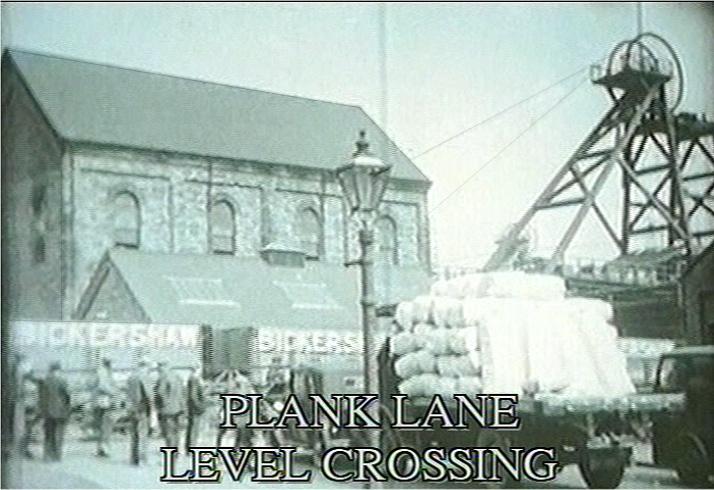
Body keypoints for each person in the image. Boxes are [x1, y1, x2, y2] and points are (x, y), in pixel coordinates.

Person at [40, 362, 71, 462]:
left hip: (47, 411)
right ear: (58, 370)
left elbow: (41, 397)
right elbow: (67, 396)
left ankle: (47, 455)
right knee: (59, 433)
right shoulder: (62, 381)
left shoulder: (45, 381)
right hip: (60, 411)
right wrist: (68, 409)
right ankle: (56, 456)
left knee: (48, 434)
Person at [126, 358, 153, 465]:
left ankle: (134, 458)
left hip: (132, 408)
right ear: (145, 366)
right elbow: (149, 395)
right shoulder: (144, 377)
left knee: (134, 434)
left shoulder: (131, 377)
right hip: (142, 409)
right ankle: (142, 458)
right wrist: (153, 410)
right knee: (143, 434)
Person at [154, 361, 184, 449]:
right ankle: (176, 450)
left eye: (159, 368)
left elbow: (160, 392)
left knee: (168, 432)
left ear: (162, 367)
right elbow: (182, 391)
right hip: (178, 408)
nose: (158, 370)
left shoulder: (163, 377)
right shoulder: (177, 376)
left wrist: (160, 405)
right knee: (176, 431)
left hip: (167, 409)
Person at [92, 358, 118, 457]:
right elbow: (103, 386)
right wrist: (114, 392)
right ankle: (104, 448)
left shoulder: (103, 372)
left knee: (103, 427)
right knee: (106, 426)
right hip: (104, 402)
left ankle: (101, 448)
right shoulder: (103, 372)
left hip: (101, 402)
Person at [21, 367, 44, 459]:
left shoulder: (20, 384)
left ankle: (22, 449)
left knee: (25, 430)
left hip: (24, 409)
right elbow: (35, 399)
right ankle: (24, 449)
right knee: (27, 430)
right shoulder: (31, 385)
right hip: (29, 409)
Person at [185, 361, 207, 453]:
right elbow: (193, 396)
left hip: (192, 407)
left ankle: (190, 447)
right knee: (194, 428)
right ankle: (191, 448)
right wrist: (200, 407)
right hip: (195, 409)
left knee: (192, 428)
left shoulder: (193, 378)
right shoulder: (194, 379)